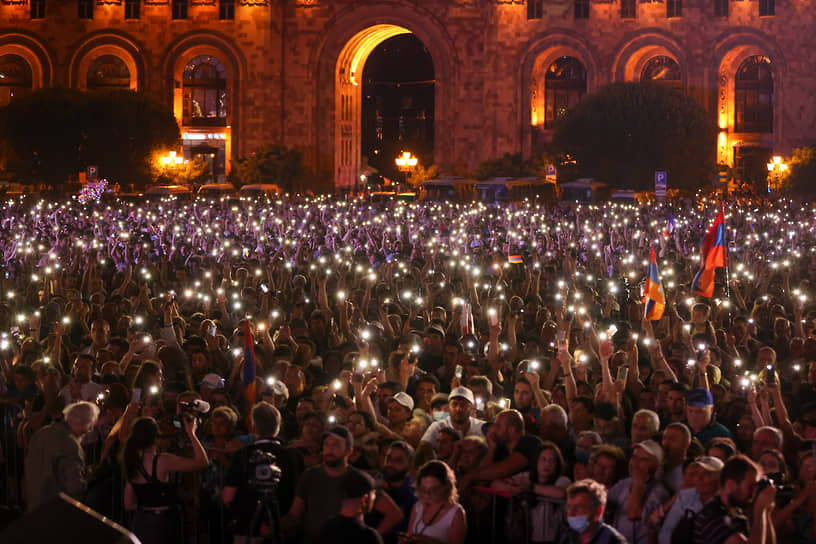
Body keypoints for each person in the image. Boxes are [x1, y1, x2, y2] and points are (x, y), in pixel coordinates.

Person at [282, 425, 404, 544]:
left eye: (336, 445)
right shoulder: (310, 475)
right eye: (327, 444)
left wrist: (370, 537)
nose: (330, 449)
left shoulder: (357, 480)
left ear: (349, 451)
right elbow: (294, 514)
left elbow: (394, 514)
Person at [121, 415, 209, 544]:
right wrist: (192, 434)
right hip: (162, 522)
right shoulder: (163, 460)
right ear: (156, 437)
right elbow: (202, 462)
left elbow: (128, 504)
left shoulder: (133, 462)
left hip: (141, 521)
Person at [222, 401, 299, 544]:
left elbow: (227, 496)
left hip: (246, 530)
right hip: (282, 530)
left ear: (254, 426)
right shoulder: (292, 457)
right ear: (278, 426)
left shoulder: (242, 455)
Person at [24, 401, 100, 511]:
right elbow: (75, 486)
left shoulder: (41, 433)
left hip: (35, 504)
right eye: (90, 426)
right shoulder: (70, 444)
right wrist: (87, 479)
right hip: (57, 509)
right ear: (84, 422)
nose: (89, 431)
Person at [693, 454, 777, 544]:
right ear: (731, 485)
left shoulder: (736, 513)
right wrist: (759, 511)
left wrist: (766, 512)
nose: (753, 493)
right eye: (750, 487)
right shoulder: (712, 517)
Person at [606, 440, 670, 544]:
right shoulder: (624, 483)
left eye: (643, 460)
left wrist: (638, 483)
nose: (635, 463)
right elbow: (604, 505)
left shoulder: (660, 492)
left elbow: (633, 514)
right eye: (634, 457)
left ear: (656, 465)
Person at [402, 460, 466, 544]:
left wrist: (429, 541)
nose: (427, 494)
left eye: (433, 490)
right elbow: (410, 535)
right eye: (423, 489)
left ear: (446, 487)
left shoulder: (455, 513)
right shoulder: (418, 507)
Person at [319, 468, 383, 544]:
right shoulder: (369, 536)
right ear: (364, 499)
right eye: (373, 494)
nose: (374, 498)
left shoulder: (327, 529)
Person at [561, 479, 627, 544]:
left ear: (598, 512)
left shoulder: (613, 541)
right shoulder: (569, 536)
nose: (571, 514)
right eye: (570, 507)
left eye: (579, 508)